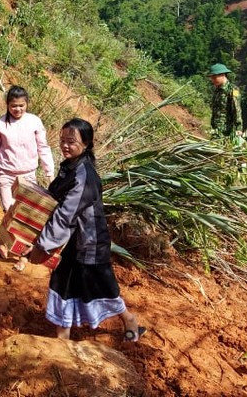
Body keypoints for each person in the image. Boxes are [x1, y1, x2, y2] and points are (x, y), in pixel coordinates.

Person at [25, 118, 145, 342]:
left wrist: (43, 245)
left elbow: (65, 215)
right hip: (69, 242)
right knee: (62, 285)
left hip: (90, 243)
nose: (64, 146)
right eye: (62, 141)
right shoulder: (68, 167)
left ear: (87, 143)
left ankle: (129, 319)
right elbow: (53, 200)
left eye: (71, 141)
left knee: (102, 286)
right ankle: (62, 339)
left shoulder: (85, 176)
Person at [0, 85, 54, 271]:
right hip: (5, 175)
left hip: (28, 175)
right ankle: (7, 244)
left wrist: (49, 171)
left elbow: (43, 147)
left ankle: (23, 255)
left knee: (26, 217)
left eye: (21, 105)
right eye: (14, 106)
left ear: (27, 104)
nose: (18, 109)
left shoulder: (34, 122)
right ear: (7, 105)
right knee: (10, 212)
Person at [207, 63, 243, 140]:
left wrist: (238, 128)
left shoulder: (233, 90)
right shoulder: (217, 90)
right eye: (211, 78)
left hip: (227, 131)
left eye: (214, 77)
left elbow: (237, 110)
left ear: (222, 75)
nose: (212, 80)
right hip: (216, 129)